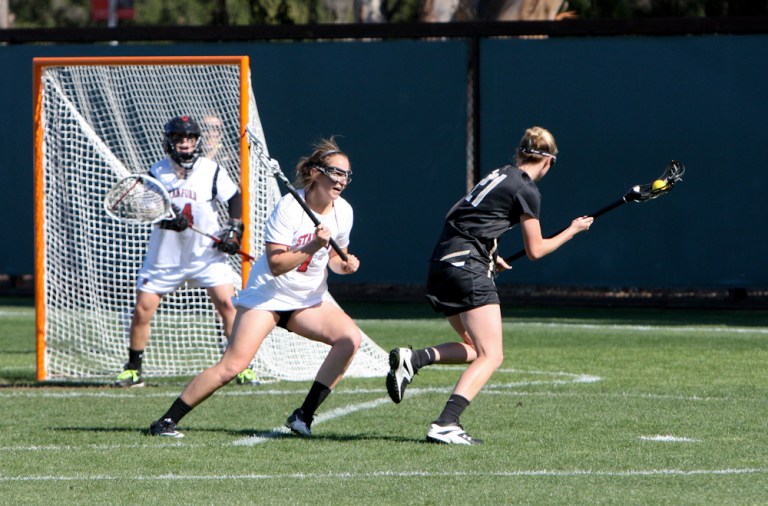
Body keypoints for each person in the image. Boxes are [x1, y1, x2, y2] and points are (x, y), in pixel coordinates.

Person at [386, 126, 594, 444]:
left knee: (474, 348)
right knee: (492, 355)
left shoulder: (500, 174)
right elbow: (536, 250)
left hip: (441, 265)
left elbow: (456, 214)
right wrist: (573, 230)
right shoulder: (527, 189)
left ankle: (414, 359)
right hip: (467, 269)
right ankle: (446, 423)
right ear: (549, 161)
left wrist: (490, 250)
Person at [148, 137, 361, 438]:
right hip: (268, 297)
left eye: (345, 175)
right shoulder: (289, 207)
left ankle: (303, 416)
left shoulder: (345, 211)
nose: (341, 180)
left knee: (349, 339)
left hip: (307, 300)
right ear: (315, 173)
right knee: (233, 366)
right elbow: (276, 264)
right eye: (335, 172)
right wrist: (313, 244)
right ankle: (166, 421)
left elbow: (335, 260)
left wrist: (346, 264)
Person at [114, 115, 245, 387]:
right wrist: (166, 220)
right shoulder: (157, 172)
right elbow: (141, 207)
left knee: (228, 305)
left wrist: (233, 231)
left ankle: (241, 364)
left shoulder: (211, 170)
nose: (185, 144)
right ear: (169, 142)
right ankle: (133, 369)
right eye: (179, 139)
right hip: (166, 255)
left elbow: (234, 198)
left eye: (190, 139)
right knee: (142, 309)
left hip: (206, 254)